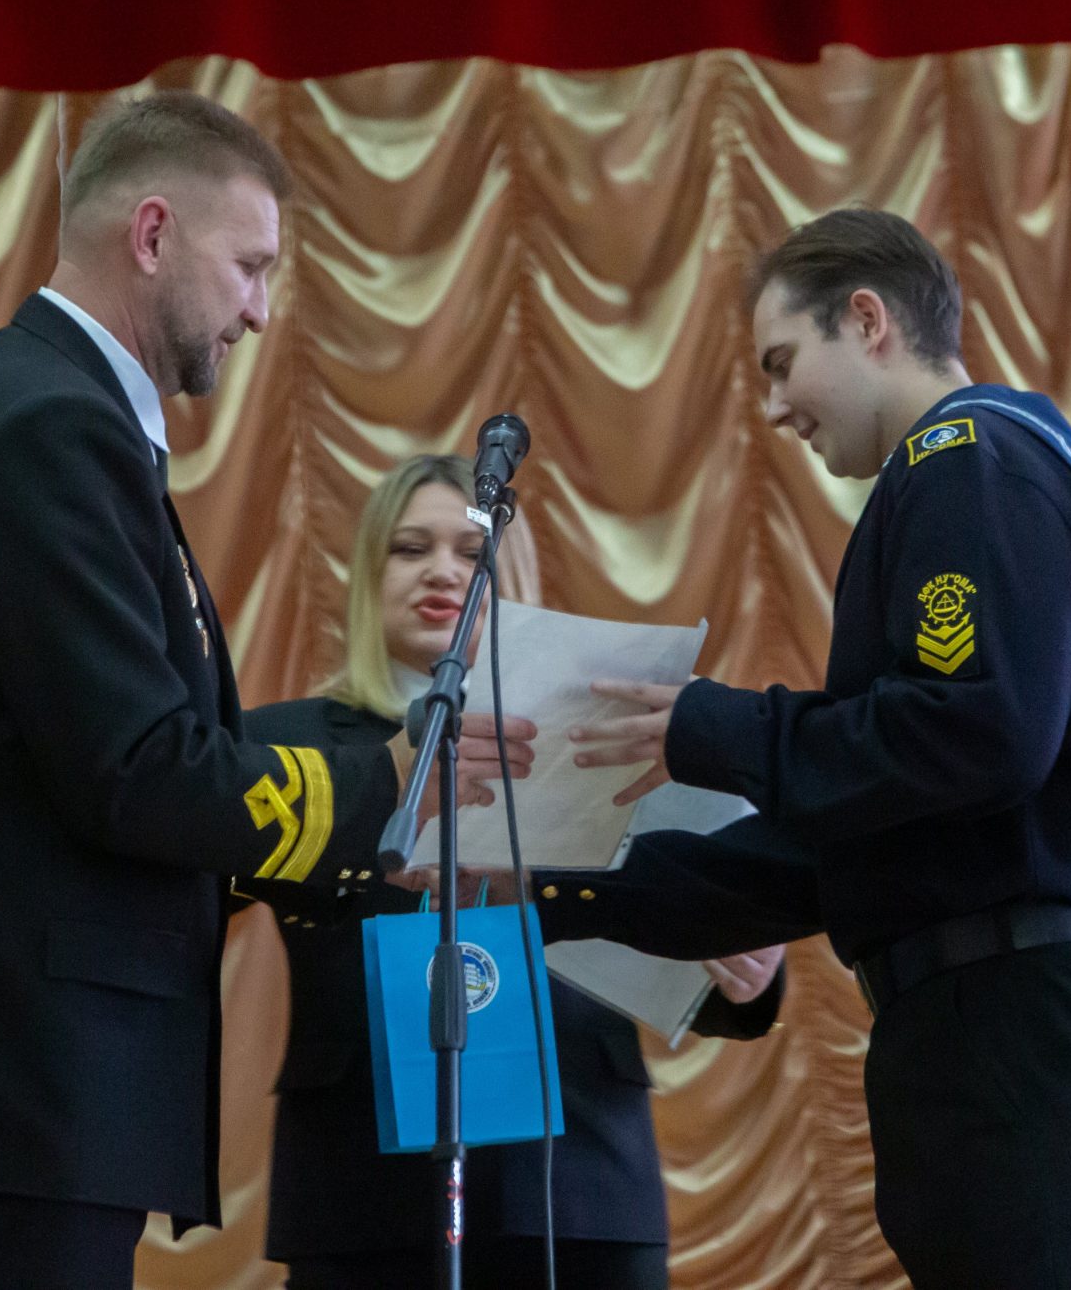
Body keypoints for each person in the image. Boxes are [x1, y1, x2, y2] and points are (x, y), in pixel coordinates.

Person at [0, 94, 530, 1290]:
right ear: (151, 234)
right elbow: (136, 767)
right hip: (21, 1084)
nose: (259, 309)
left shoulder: (42, 407)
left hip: (1, 1085)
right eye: (250, 266)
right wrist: (388, 787)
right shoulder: (51, 427)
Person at [532, 208, 1071, 1290]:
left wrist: (714, 728)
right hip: (1009, 1025)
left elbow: (978, 731)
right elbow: (848, 842)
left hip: (1043, 1023)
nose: (774, 407)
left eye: (781, 362)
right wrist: (544, 887)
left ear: (867, 320)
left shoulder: (969, 459)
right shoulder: (957, 477)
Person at [244, 454, 788, 1290]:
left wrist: (747, 969)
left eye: (471, 553)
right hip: (361, 1185)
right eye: (410, 548)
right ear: (366, 577)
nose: (442, 571)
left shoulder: (602, 731)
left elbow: (679, 918)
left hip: (581, 1179)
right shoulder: (284, 743)